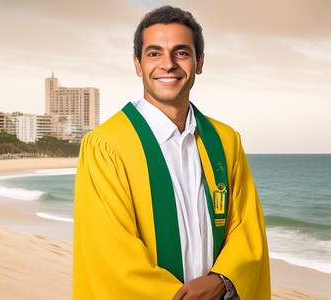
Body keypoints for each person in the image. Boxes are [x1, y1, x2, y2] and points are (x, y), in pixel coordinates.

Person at [73, 5, 270, 300]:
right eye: (154, 53)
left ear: (199, 62)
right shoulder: (106, 145)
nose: (168, 64)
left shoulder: (225, 141)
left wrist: (223, 279)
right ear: (138, 65)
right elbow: (111, 252)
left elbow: (246, 227)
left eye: (181, 52)